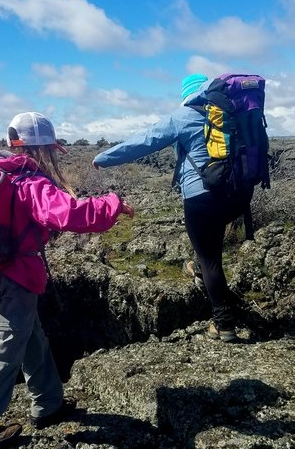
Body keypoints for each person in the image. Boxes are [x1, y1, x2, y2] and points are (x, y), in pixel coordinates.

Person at [0, 111, 134, 449]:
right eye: (50, 149)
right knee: (9, 339)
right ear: (43, 149)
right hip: (17, 275)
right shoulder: (26, 181)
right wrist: (112, 204)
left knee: (30, 334)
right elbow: (68, 214)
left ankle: (48, 404)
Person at [92, 74, 253, 343]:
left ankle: (224, 325)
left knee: (210, 258)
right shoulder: (234, 113)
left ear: (186, 95)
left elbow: (144, 141)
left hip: (203, 196)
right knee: (209, 246)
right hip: (239, 195)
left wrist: (103, 158)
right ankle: (203, 272)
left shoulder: (182, 117)